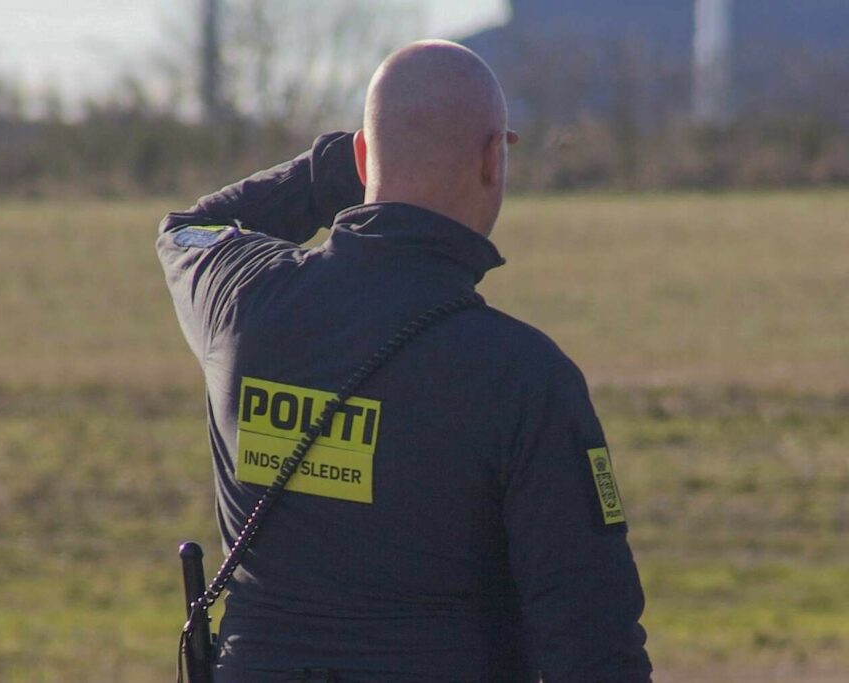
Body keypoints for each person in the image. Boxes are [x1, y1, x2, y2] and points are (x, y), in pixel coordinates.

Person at [157, 40, 652, 683]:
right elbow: (594, 647)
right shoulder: (524, 376)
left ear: (365, 157)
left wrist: (340, 167)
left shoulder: (243, 300)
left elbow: (189, 228)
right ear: (492, 160)